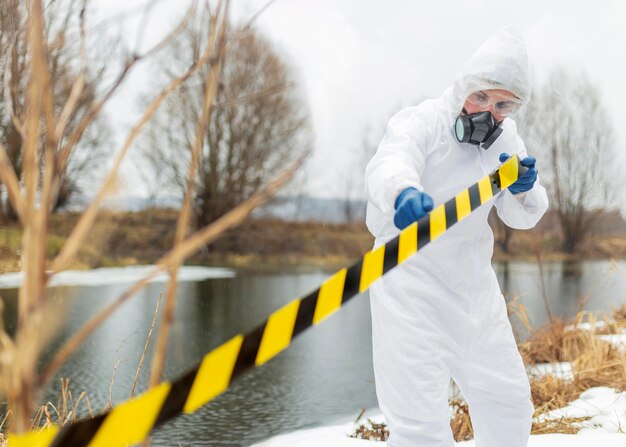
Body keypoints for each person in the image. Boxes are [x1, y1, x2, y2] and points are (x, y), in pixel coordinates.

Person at [364, 26, 549, 447]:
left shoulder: (505, 141)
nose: (488, 110)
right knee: (420, 427)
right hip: (408, 287)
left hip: (473, 293)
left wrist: (524, 191)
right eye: (481, 96)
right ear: (465, 85)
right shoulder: (422, 121)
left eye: (503, 104)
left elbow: (523, 216)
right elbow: (391, 161)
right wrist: (402, 191)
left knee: (509, 404)